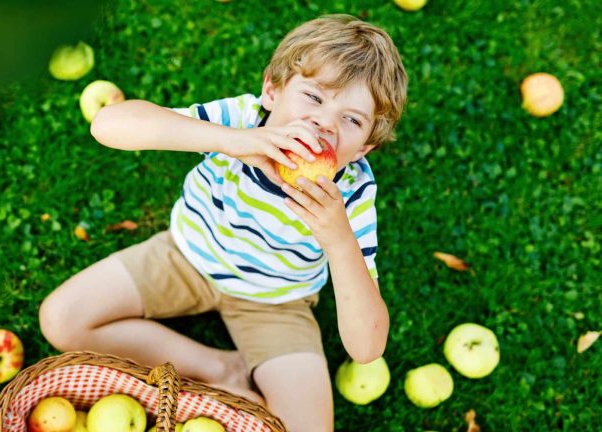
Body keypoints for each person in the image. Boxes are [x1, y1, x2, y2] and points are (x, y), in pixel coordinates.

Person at [39, 14, 407, 431]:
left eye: (352, 120)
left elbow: (367, 347)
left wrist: (339, 241)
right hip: (186, 256)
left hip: (277, 302)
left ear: (365, 149)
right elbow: (108, 124)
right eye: (313, 97)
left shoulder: (351, 196)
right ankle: (218, 369)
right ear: (271, 90)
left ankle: (231, 373)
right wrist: (231, 141)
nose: (325, 122)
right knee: (61, 318)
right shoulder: (242, 121)